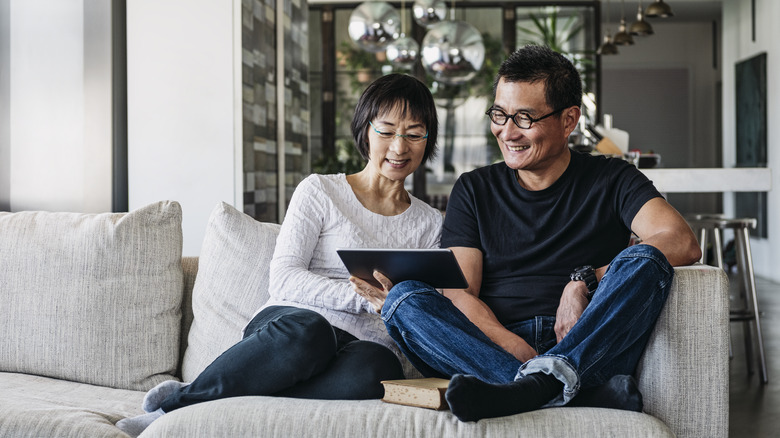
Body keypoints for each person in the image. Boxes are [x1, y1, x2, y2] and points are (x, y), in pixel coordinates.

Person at [351, 45, 702, 422]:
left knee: (646, 259)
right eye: (499, 114)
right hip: (494, 345)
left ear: (569, 120)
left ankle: (524, 390)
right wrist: (510, 344)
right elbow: (460, 291)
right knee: (403, 299)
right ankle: (564, 389)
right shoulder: (474, 188)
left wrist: (584, 281)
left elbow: (680, 240)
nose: (507, 131)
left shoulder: (612, 178)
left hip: (588, 336)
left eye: (524, 118)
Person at [117, 73, 443, 436]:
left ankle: (226, 392)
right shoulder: (320, 191)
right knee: (313, 331)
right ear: (365, 130)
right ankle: (174, 408)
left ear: (427, 141)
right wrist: (365, 298)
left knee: (377, 369)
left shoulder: (430, 223)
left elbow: (422, 301)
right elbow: (284, 276)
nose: (399, 147)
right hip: (290, 330)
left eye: (414, 134)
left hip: (359, 348)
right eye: (386, 130)